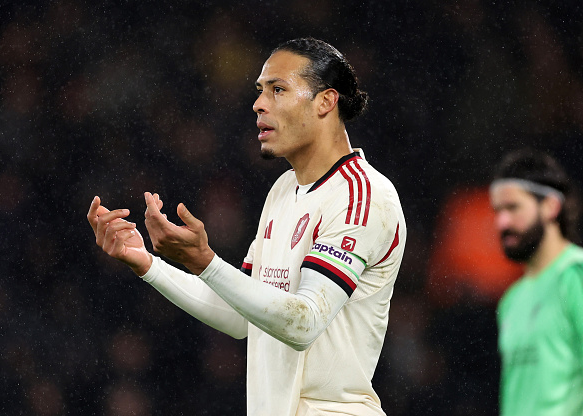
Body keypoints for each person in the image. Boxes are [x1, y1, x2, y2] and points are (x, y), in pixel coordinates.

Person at [87, 37, 406, 416]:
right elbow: (241, 315)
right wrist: (148, 264)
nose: (258, 104)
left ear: (325, 101)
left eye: (278, 89)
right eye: (260, 91)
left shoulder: (362, 195)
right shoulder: (284, 190)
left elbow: (304, 323)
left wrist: (205, 262)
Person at [489, 148, 583, 416]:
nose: (501, 222)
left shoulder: (576, 274)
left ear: (551, 206)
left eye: (512, 207)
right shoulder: (511, 300)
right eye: (497, 210)